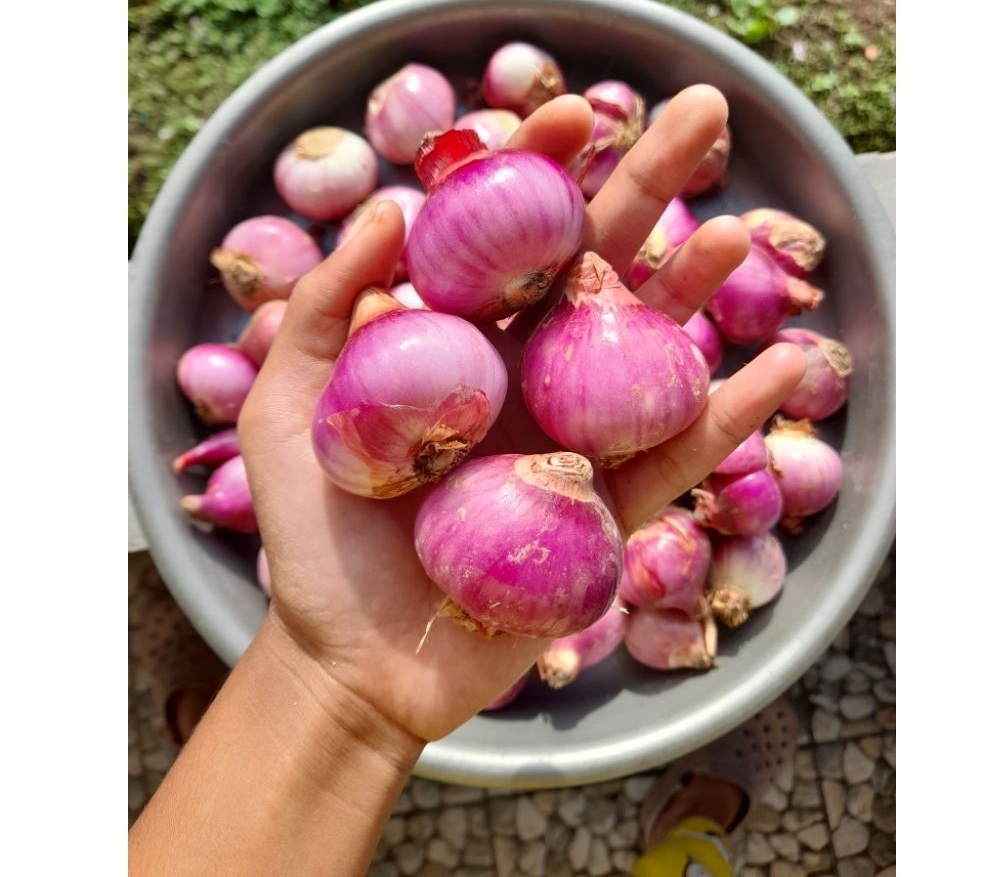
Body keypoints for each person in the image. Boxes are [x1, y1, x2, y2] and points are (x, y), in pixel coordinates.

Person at [127, 85, 807, 876]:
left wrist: (330, 695)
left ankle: (197, 722)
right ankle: (697, 829)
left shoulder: (459, 355)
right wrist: (334, 682)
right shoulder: (465, 363)